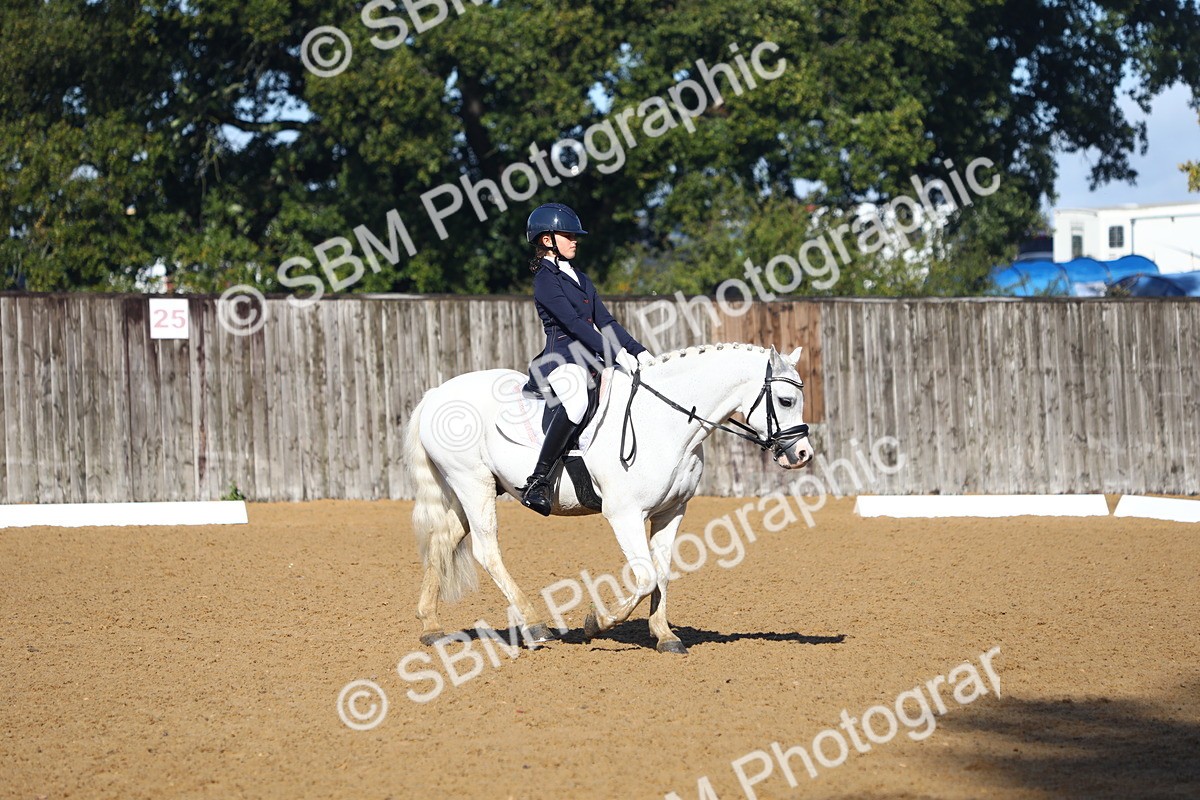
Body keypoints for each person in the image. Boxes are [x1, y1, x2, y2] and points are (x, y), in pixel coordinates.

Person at [519, 202, 654, 515]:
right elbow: (574, 324)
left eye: (574, 236)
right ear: (547, 240)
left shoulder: (580, 277)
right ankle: (539, 480)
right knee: (577, 399)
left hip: (591, 358)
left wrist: (639, 351)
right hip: (560, 359)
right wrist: (614, 353)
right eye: (567, 235)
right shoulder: (545, 280)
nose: (574, 240)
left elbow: (606, 322)